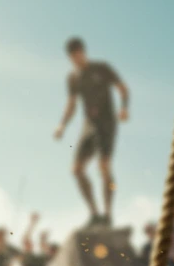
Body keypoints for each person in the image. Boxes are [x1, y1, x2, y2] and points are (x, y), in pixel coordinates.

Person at [54, 37, 129, 226]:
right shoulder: (73, 78)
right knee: (77, 170)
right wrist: (62, 125)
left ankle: (108, 214)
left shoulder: (101, 68)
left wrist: (124, 107)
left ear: (84, 52)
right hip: (89, 125)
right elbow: (71, 104)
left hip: (106, 123)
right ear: (70, 58)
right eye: (73, 55)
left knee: (103, 166)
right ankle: (95, 214)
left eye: (79, 53)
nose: (77, 58)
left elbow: (122, 88)